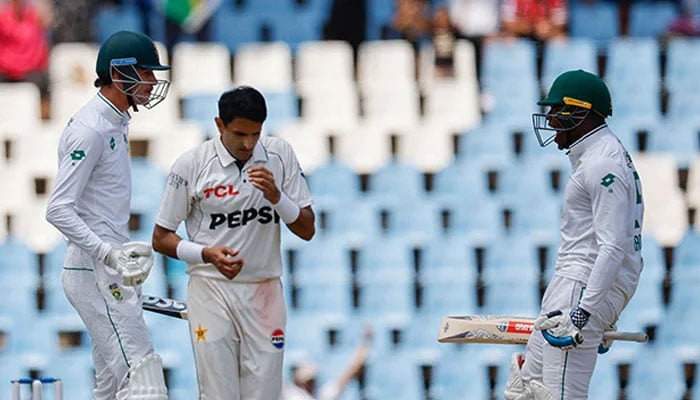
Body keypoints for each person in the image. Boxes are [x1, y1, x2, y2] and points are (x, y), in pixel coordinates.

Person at [151, 86, 316, 399]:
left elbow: (307, 229)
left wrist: (277, 198)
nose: (248, 143)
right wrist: (206, 254)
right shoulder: (191, 165)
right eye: (240, 134)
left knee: (265, 394)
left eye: (255, 134)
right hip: (211, 290)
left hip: (264, 290)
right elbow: (161, 238)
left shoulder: (280, 155)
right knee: (217, 393)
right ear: (219, 124)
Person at [45, 30, 171, 400]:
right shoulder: (91, 129)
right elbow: (58, 209)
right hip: (97, 270)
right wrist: (108, 252)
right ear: (120, 75)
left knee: (112, 383)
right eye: (146, 74)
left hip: (102, 267)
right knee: (142, 374)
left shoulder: (115, 119)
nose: (151, 83)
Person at [504, 69, 645, 399]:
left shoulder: (602, 164)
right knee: (523, 392)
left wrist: (586, 312)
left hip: (578, 290)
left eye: (557, 112)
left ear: (581, 113)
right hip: (574, 287)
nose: (551, 121)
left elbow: (613, 245)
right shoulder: (604, 155)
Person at [281, 327, 374, 400]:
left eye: (312, 380)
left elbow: (349, 373)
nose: (311, 384)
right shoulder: (292, 395)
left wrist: (366, 343)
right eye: (307, 381)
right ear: (298, 381)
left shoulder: (322, 395)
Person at [0, 0, 52, 99]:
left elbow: (39, 51)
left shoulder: (34, 18)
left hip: (29, 72)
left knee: (44, 81)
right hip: (6, 72)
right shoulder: (2, 19)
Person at [499, 0, 568, 42]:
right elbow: (506, 21)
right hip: (521, 35)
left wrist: (548, 28)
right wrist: (529, 26)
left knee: (560, 39)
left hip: (546, 36)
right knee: (508, 38)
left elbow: (560, 23)